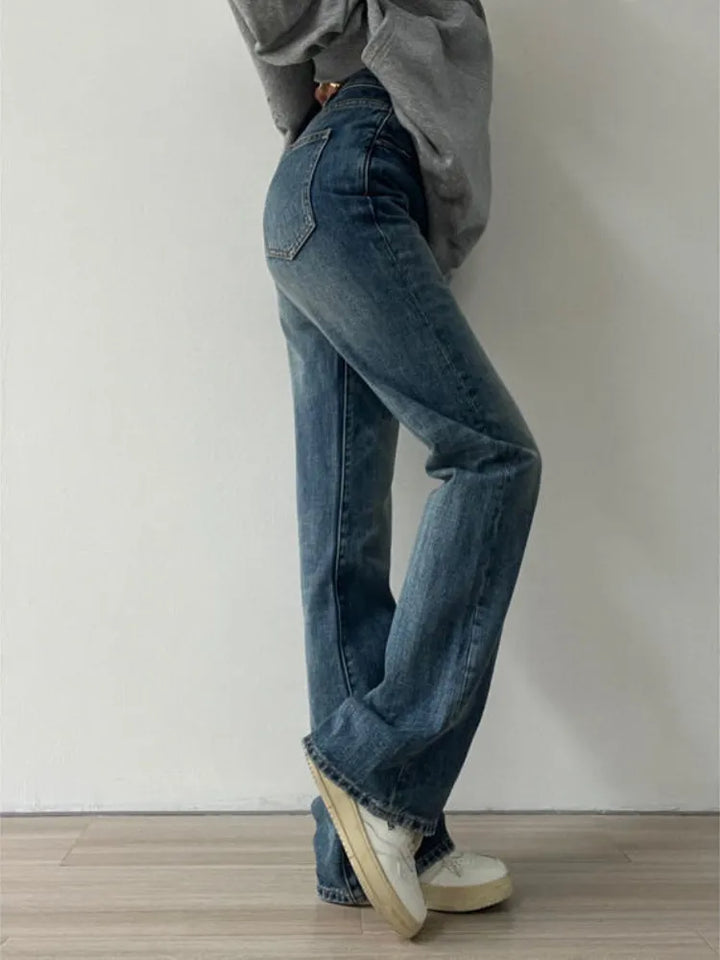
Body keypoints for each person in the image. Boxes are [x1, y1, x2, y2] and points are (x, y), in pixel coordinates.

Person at [228, 2, 542, 941]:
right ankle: (378, 771)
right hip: (353, 175)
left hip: (330, 191)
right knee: (493, 458)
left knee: (343, 537)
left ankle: (370, 847)